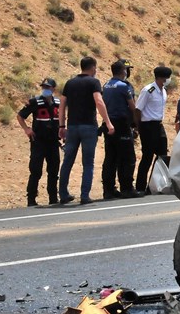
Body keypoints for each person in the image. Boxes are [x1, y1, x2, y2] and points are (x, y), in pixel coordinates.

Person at [58, 57, 114, 205]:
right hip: (89, 125)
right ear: (93, 68)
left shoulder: (70, 83)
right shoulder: (93, 82)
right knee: (88, 162)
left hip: (72, 126)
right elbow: (99, 101)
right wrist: (108, 122)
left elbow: (62, 105)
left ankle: (63, 194)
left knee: (67, 161)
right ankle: (84, 195)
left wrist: (61, 126)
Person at [16, 78, 61, 206]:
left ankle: (53, 198)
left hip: (53, 142)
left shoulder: (58, 102)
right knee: (36, 171)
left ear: (53, 89)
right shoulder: (35, 101)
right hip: (38, 142)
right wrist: (27, 129)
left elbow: (61, 118)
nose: (45, 90)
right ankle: (31, 199)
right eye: (44, 87)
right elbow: (20, 116)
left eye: (48, 87)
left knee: (53, 171)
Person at [101, 60, 138, 199]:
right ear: (123, 71)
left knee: (111, 157)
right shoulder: (124, 86)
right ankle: (127, 187)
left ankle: (108, 189)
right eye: (126, 70)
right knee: (127, 157)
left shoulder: (106, 85)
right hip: (121, 123)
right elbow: (132, 106)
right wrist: (136, 123)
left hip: (109, 123)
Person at [135, 66, 172, 193]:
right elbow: (138, 109)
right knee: (147, 156)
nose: (169, 80)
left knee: (162, 156)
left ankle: (154, 186)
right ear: (161, 78)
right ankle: (140, 187)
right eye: (167, 78)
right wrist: (139, 127)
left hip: (159, 125)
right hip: (147, 126)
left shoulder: (163, 91)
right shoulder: (148, 90)